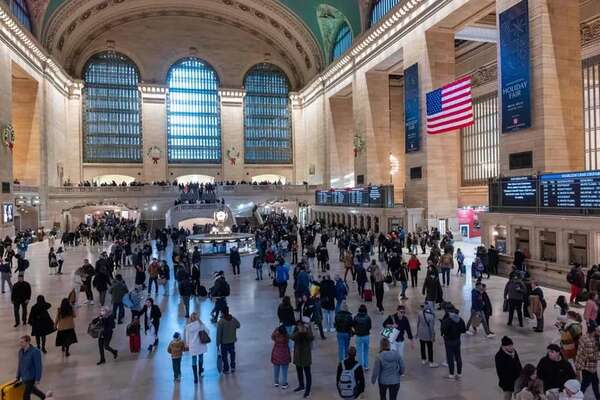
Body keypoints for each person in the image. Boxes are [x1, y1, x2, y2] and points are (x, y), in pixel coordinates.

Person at [16, 335, 52, 400]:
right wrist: (18, 376)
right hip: (24, 377)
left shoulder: (35, 352)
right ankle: (44, 397)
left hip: (31, 377)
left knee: (26, 395)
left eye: (22, 342)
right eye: (20, 342)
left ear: (28, 342)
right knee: (33, 390)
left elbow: (38, 366)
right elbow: (20, 364)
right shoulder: (20, 351)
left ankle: (44, 397)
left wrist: (37, 379)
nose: (20, 344)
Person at [575, 321, 600, 398]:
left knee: (595, 382)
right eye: (598, 330)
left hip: (586, 365)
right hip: (588, 367)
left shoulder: (585, 336)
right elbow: (592, 357)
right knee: (585, 384)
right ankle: (577, 397)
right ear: (594, 331)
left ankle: (598, 396)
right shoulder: (589, 341)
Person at [440, 306, 466, 380]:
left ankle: (451, 374)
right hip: (457, 340)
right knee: (458, 356)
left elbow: (443, 331)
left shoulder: (447, 321)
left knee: (450, 358)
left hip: (448, 341)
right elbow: (463, 330)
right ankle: (459, 373)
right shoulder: (460, 320)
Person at [291, 319, 314, 398]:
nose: (300, 326)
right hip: (298, 355)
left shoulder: (308, 328)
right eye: (299, 325)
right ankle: (301, 385)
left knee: (307, 373)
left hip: (306, 355)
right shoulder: (296, 329)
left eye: (301, 325)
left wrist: (305, 331)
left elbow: (311, 338)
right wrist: (299, 332)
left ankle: (307, 390)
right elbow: (292, 337)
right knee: (299, 371)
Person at [183, 312, 208, 383]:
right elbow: (207, 332)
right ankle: (200, 371)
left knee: (193, 360)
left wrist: (187, 345)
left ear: (191, 318)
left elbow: (187, 338)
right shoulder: (201, 325)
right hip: (200, 344)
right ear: (197, 318)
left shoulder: (188, 327)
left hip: (193, 346)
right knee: (201, 357)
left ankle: (195, 378)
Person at [216, 307, 240, 374]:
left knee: (224, 356)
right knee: (232, 354)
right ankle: (233, 367)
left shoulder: (221, 321)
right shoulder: (232, 319)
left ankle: (226, 369)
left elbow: (218, 334)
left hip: (224, 343)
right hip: (232, 341)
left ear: (222, 313)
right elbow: (238, 325)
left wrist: (217, 343)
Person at [416, 303, 437, 367]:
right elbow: (431, 328)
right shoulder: (431, 316)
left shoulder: (420, 313)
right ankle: (431, 361)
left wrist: (417, 332)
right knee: (430, 348)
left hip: (421, 333)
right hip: (428, 334)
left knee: (422, 346)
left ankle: (423, 359)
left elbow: (418, 323)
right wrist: (433, 336)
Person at [271, 325, 291, 389]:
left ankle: (276, 382)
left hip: (276, 354)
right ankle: (284, 383)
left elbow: (272, 336)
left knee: (276, 370)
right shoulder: (286, 337)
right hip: (285, 355)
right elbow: (288, 338)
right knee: (284, 370)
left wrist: (276, 329)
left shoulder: (276, 336)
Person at [353, 304, 371, 371]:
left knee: (359, 351)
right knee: (366, 351)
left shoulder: (355, 317)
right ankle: (366, 366)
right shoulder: (368, 317)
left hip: (358, 336)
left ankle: (360, 366)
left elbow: (354, 326)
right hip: (366, 336)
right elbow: (370, 327)